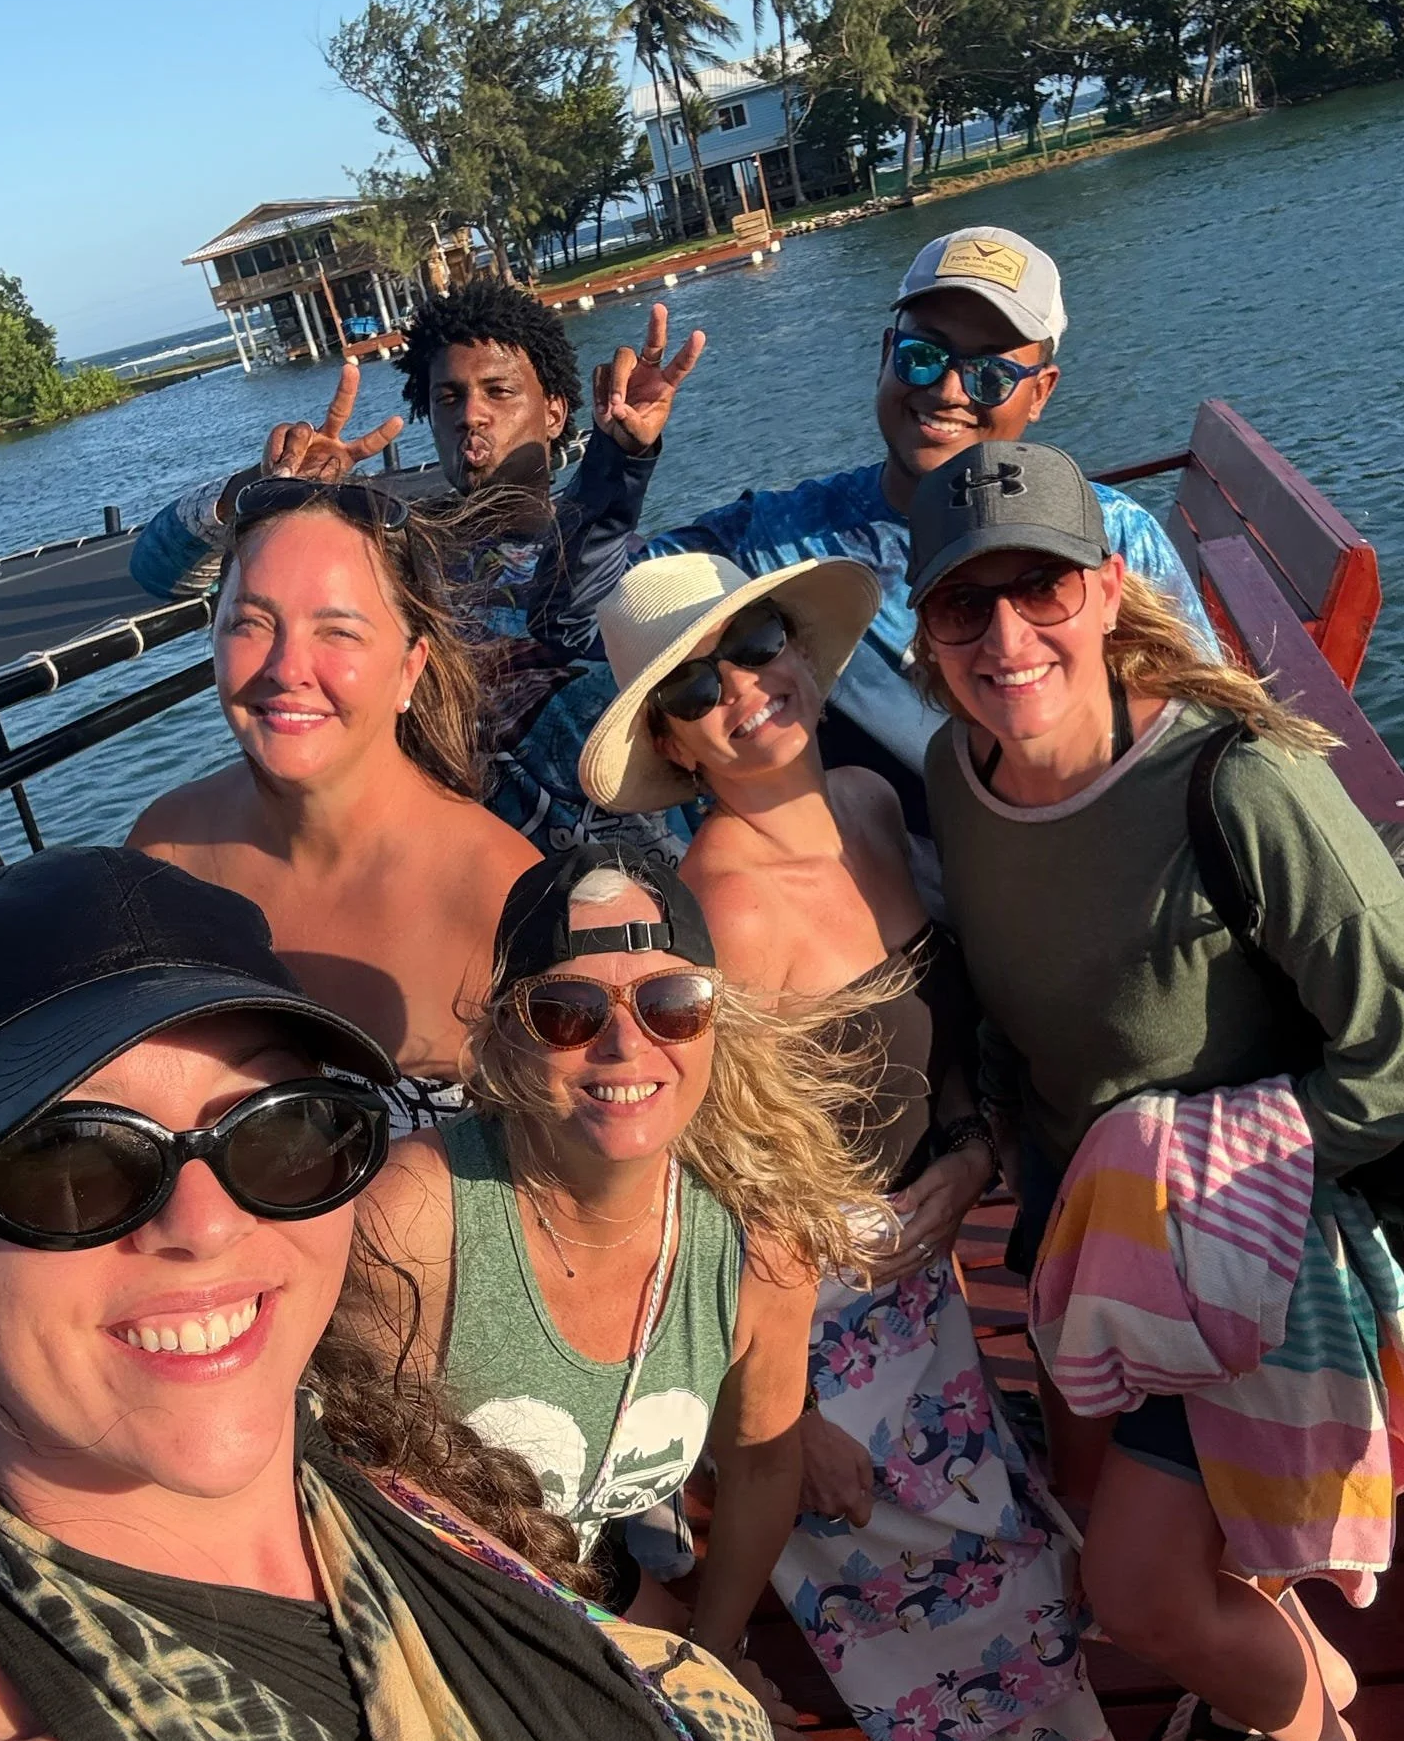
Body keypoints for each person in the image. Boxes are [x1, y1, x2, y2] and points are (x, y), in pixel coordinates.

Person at [0, 845, 914, 1741]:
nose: (203, 1220)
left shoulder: (394, 1509)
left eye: (278, 1128)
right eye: (70, 1159)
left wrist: (714, 1644)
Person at [914, 440, 1404, 1741]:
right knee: (1144, 1549)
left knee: (1136, 1593)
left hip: (1258, 1244)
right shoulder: (965, 783)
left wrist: (1216, 1153)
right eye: (965, 610)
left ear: (1104, 591)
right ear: (926, 636)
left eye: (1040, 592)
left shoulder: (1236, 779)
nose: (1008, 639)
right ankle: (1278, 1678)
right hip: (1101, 1247)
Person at [578, 549, 1125, 1741]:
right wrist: (781, 1414)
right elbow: (685, 1189)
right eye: (694, 690)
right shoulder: (706, 914)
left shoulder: (879, 804)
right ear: (670, 744)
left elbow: (940, 1046)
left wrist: (975, 1148)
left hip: (916, 1268)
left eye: (758, 650)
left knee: (983, 1545)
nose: (744, 693)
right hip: (800, 1308)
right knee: (884, 1569)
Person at [358, 840, 882, 1667]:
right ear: (508, 1035)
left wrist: (709, 1661)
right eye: (568, 1012)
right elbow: (377, 1519)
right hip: (442, 1623)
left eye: (671, 1004)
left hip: (586, 1586)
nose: (626, 1045)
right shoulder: (414, 1221)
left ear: (716, 1021)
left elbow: (760, 1470)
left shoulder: (759, 1240)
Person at [639, 225, 1216, 831]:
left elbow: (1203, 731)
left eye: (990, 376)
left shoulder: (1111, 536)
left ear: (1041, 392)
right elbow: (603, 605)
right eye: (923, 357)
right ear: (887, 353)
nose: (947, 393)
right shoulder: (782, 539)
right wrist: (624, 458)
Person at [129, 281, 706, 857]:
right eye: (448, 398)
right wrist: (265, 496)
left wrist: (620, 460)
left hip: (643, 879)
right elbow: (158, 571)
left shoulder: (636, 569)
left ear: (554, 413)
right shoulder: (395, 554)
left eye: (498, 391)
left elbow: (575, 578)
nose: (471, 415)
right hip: (453, 880)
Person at [122, 480, 529, 1135]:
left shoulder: (501, 906)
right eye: (251, 623)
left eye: (338, 631)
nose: (287, 667)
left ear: (409, 668)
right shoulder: (164, 851)